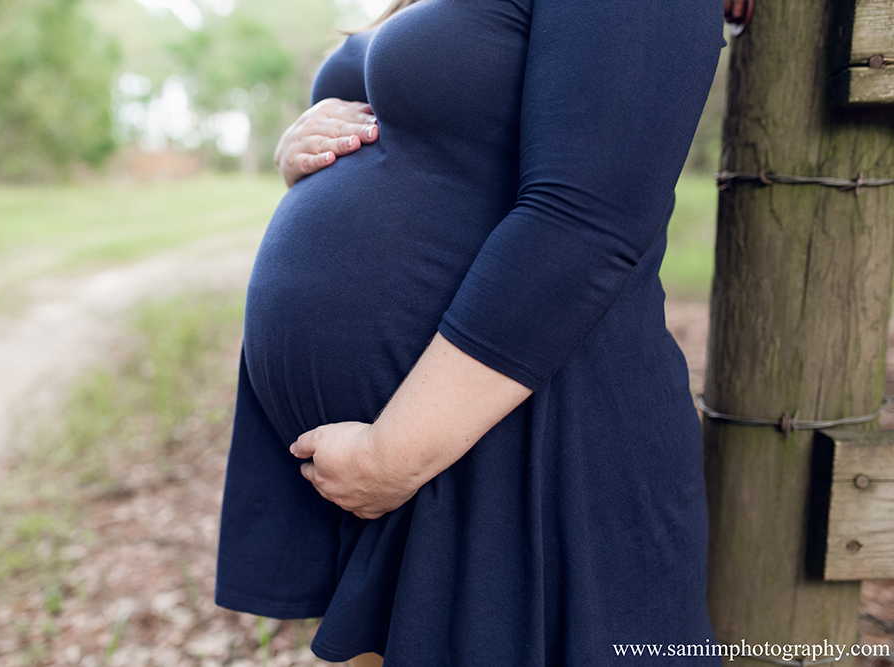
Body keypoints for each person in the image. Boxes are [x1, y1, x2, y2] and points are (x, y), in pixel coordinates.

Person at [215, 0, 725, 665]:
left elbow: (589, 224)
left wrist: (396, 451)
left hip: (526, 445)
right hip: (418, 463)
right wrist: (305, 150)